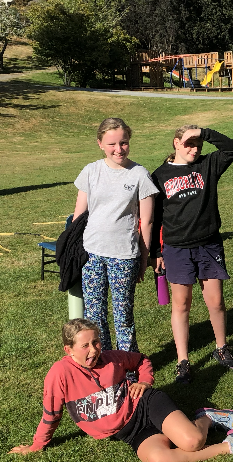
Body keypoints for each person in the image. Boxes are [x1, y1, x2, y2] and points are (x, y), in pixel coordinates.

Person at [9, 319, 233, 462]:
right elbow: (51, 414)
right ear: (68, 350)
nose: (93, 350)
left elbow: (141, 360)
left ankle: (207, 418)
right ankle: (232, 446)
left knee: (193, 441)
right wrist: (37, 445)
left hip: (145, 405)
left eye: (96, 342)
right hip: (130, 432)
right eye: (85, 346)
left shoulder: (112, 358)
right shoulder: (59, 374)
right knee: (160, 460)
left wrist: (145, 382)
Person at [150, 125, 233, 383]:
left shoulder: (207, 165)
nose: (194, 149)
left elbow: (232, 148)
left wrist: (203, 132)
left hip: (208, 245)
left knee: (216, 301)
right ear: (176, 143)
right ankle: (183, 360)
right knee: (181, 304)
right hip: (176, 248)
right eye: (189, 143)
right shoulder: (160, 175)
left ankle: (221, 347)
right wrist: (156, 251)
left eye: (198, 145)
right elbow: (155, 218)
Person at [73, 118, 158, 352]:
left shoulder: (140, 174)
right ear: (100, 144)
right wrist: (73, 252)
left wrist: (143, 258)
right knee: (94, 315)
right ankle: (102, 360)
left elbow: (147, 221)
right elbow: (79, 216)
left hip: (124, 255)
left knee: (123, 317)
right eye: (112, 144)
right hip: (91, 254)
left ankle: (127, 364)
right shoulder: (90, 171)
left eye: (124, 142)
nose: (118, 149)